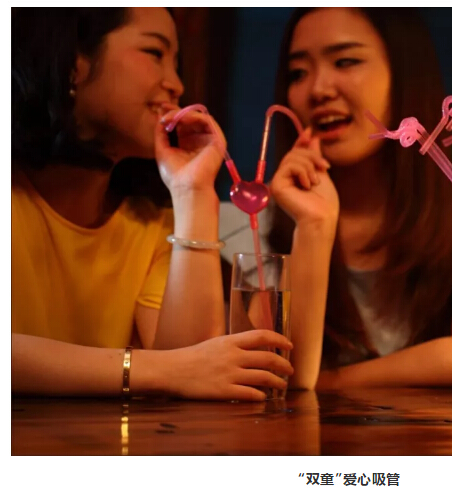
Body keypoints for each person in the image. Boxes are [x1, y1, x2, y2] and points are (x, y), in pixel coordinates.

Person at [220, 7, 452, 390]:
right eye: (298, 73)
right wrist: (314, 226)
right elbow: (274, 373)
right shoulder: (252, 223)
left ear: (405, 73)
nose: (319, 89)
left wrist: (329, 383)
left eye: (345, 61)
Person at [11, 7, 293, 401]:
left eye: (176, 63)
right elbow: (180, 370)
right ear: (73, 64)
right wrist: (155, 370)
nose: (176, 84)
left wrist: (193, 192)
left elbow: (195, 377)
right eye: (154, 53)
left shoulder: (151, 225)